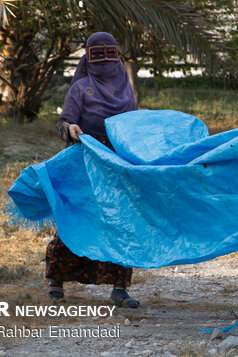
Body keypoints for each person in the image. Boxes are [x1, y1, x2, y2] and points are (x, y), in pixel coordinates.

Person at [45, 32, 140, 308]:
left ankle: (120, 287)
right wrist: (70, 130)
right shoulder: (80, 89)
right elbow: (63, 122)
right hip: (83, 166)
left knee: (119, 221)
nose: (106, 70)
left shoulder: (126, 87)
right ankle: (56, 280)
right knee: (74, 219)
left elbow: (132, 126)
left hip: (116, 166)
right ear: (88, 61)